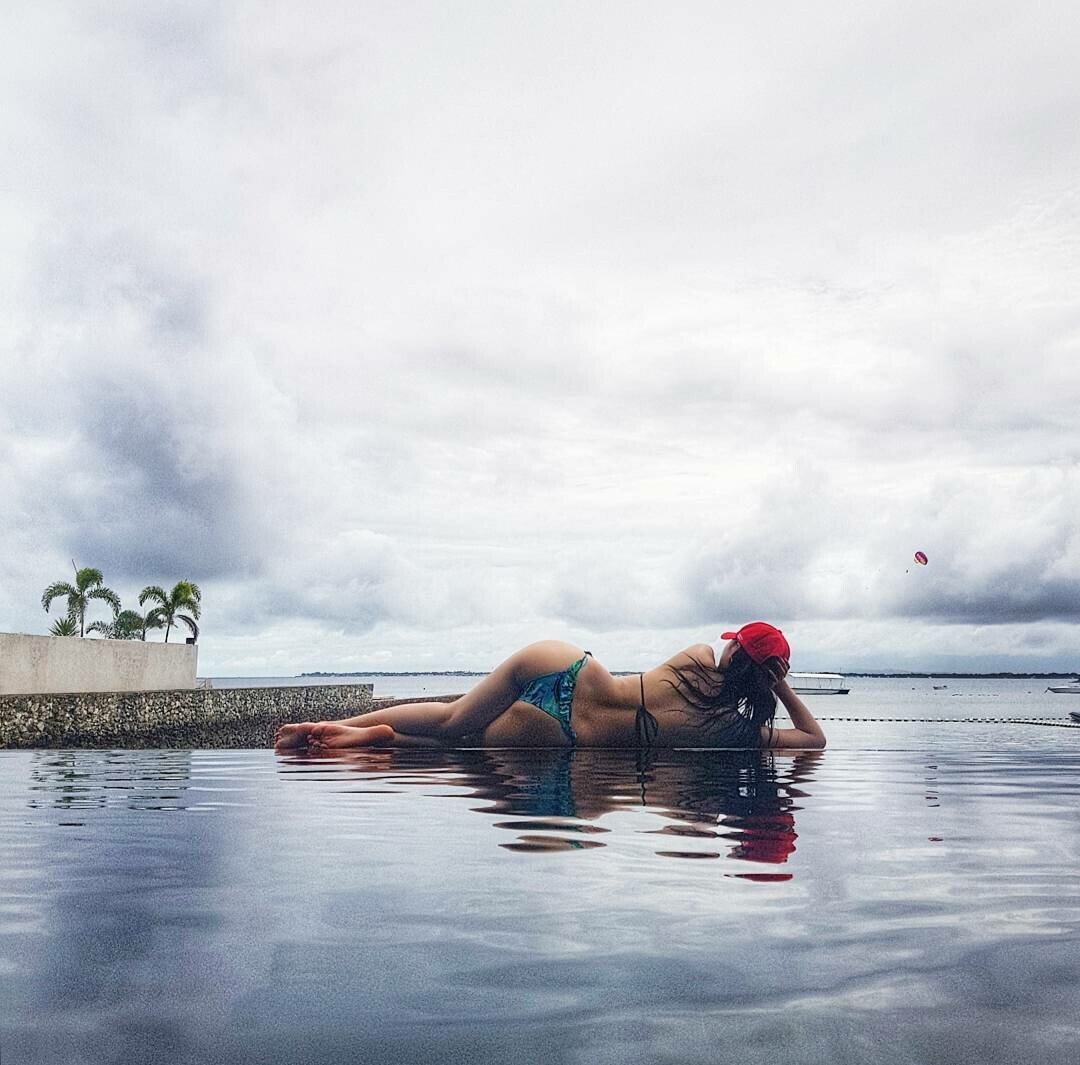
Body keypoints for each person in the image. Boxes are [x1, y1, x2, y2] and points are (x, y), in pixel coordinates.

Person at [273, 621, 827, 752]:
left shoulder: (700, 656)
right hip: (567, 732)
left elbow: (729, 654)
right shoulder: (734, 730)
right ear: (770, 677)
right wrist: (779, 690)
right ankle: (370, 740)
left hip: (572, 669)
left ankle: (349, 728)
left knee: (449, 719)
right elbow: (816, 741)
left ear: (733, 649)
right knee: (458, 747)